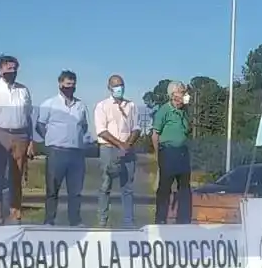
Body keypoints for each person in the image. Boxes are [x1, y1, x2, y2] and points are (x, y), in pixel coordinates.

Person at [0, 55, 34, 222]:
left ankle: (15, 215)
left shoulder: (23, 90)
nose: (12, 71)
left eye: (15, 68)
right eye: (8, 68)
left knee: (16, 177)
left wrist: (31, 141)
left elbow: (28, 116)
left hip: (20, 135)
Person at [36, 70, 90, 226]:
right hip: (56, 151)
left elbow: (84, 126)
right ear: (60, 84)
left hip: (76, 153)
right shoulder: (49, 104)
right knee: (52, 189)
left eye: (73, 85)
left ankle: (75, 220)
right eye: (67, 84)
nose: (70, 88)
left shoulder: (80, 105)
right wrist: (52, 138)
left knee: (75, 191)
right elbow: (40, 125)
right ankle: (49, 220)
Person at [93, 74, 140, 227]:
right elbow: (101, 130)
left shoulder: (131, 105)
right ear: (109, 88)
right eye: (115, 85)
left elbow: (136, 128)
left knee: (127, 187)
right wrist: (120, 144)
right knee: (105, 185)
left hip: (128, 149)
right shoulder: (102, 106)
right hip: (109, 148)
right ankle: (102, 220)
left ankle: (128, 221)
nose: (119, 88)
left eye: (121, 85)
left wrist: (128, 144)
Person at [151, 80, 194, 224]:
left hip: (182, 152)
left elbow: (187, 130)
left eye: (184, 92)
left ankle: (183, 220)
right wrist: (158, 155)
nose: (184, 95)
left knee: (184, 188)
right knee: (164, 188)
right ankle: (160, 220)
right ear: (173, 94)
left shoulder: (184, 111)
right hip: (168, 152)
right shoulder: (164, 110)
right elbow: (155, 134)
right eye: (182, 92)